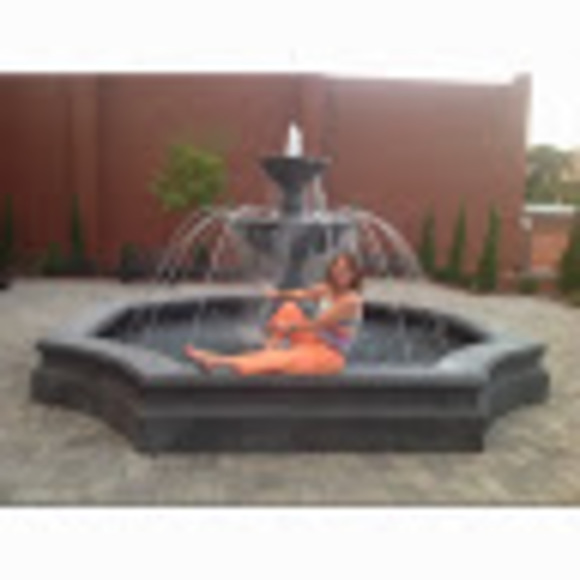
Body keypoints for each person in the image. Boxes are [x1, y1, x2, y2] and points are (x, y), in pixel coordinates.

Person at [184, 251, 364, 375]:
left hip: (330, 355)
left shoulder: (351, 301)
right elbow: (302, 294)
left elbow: (317, 324)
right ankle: (269, 349)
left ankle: (216, 360)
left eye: (345, 271)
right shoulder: (328, 289)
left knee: (281, 359)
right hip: (315, 341)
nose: (340, 274)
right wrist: (277, 294)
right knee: (289, 308)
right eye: (337, 269)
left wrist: (287, 327)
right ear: (331, 271)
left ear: (354, 275)